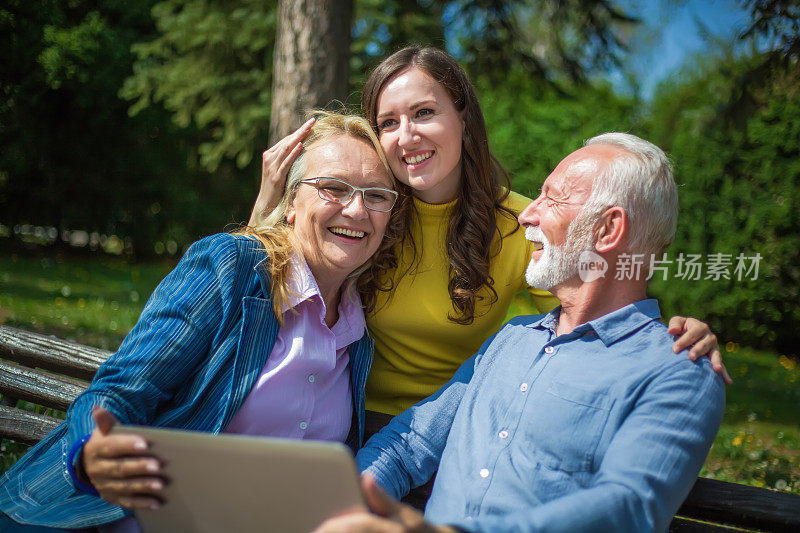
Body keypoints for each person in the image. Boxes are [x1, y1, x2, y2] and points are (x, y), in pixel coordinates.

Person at [249, 47, 729, 444]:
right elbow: (265, 286)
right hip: (340, 423)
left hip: (448, 436)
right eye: (388, 122)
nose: (406, 136)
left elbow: (602, 299)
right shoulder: (366, 211)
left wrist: (669, 333)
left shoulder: (523, 220)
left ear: (462, 115)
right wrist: (269, 201)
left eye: (423, 113)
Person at [0, 111, 403, 531]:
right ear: (291, 204)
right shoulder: (231, 268)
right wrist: (92, 449)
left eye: (376, 196)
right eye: (333, 188)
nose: (357, 209)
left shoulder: (360, 333)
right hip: (120, 518)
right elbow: (121, 389)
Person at [313, 133, 726, 533]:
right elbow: (409, 445)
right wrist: (334, 506)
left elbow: (627, 508)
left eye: (552, 197)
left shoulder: (681, 369)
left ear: (607, 229)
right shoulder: (511, 340)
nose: (526, 214)